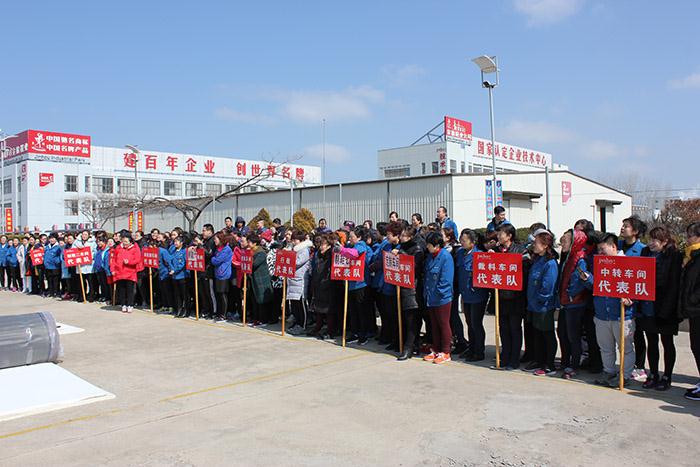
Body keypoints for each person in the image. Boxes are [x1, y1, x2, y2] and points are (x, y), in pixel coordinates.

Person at [585, 233, 635, 388]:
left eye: (603, 249)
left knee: (625, 348)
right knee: (605, 348)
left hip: (621, 315)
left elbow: (638, 286)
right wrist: (588, 279)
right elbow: (596, 286)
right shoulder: (599, 264)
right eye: (598, 250)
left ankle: (625, 375)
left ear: (613, 247)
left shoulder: (628, 263)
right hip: (602, 314)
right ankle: (609, 372)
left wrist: (631, 299)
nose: (600, 253)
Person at [639, 227, 682, 391]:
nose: (650, 243)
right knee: (651, 341)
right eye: (649, 239)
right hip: (648, 305)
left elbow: (674, 284)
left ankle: (667, 376)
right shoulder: (645, 253)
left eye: (654, 240)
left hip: (666, 307)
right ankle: (653, 374)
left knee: (667, 342)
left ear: (664, 242)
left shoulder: (674, 255)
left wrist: (667, 309)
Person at [494, 223, 530, 370]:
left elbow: (525, 272)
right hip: (501, 297)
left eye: (501, 234)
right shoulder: (496, 251)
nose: (498, 236)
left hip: (516, 298)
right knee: (503, 329)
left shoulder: (521, 251)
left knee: (514, 329)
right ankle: (505, 356)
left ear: (509, 236)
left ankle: (514, 359)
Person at [558, 229, 591, 379]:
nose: (562, 243)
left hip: (575, 304)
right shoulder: (570, 257)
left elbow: (579, 282)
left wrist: (570, 295)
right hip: (566, 302)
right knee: (564, 334)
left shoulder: (580, 259)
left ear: (574, 242)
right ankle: (566, 362)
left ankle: (574, 365)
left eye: (565, 240)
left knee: (573, 337)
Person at [619, 215, 648, 381]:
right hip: (620, 295)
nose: (623, 228)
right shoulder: (618, 246)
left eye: (627, 226)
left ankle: (640, 366)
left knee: (638, 334)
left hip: (636, 298)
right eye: (623, 225)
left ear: (635, 231)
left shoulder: (643, 250)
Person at [527, 231, 559, 376]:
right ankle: (539, 361)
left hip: (544, 306)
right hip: (534, 305)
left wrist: (539, 299)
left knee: (547, 335)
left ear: (545, 245)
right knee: (538, 335)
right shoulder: (538, 260)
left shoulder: (550, 264)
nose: (534, 245)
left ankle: (549, 364)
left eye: (536, 243)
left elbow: (548, 287)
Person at [456, 229, 489, 362]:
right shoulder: (460, 253)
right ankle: (471, 348)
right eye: (461, 240)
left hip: (477, 295)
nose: (462, 242)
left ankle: (479, 351)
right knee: (469, 323)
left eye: (464, 240)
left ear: (473, 242)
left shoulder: (479, 255)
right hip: (465, 294)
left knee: (476, 323)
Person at [422, 232, 454, 365]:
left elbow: (446, 279)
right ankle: (436, 349)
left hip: (442, 298)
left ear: (436, 245)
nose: (427, 247)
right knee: (434, 324)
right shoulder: (430, 257)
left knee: (443, 323)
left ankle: (445, 351)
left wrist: (439, 293)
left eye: (429, 245)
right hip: (431, 296)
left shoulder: (445, 257)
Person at [395, 226, 425, 360]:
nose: (401, 238)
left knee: (412, 320)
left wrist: (402, 254)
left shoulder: (417, 249)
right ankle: (413, 345)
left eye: (403, 236)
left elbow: (414, 267)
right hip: (402, 286)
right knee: (405, 319)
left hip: (413, 288)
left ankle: (409, 347)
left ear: (410, 237)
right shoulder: (401, 248)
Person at [679, 222, 700, 401]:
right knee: (696, 346)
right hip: (693, 310)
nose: (687, 239)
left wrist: (693, 299)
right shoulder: (690, 256)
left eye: (690, 236)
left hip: (697, 308)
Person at [285, 230, 313, 335]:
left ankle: (303, 324)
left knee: (301, 304)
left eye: (295, 240)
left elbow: (297, 262)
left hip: (300, 280)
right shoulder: (294, 249)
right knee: (294, 304)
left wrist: (288, 256)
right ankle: (297, 322)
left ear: (301, 240)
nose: (293, 242)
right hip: (293, 279)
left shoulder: (304, 250)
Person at [308, 234, 335, 339]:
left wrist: (326, 281)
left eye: (323, 245)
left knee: (329, 310)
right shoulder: (318, 254)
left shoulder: (332, 255)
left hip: (328, 284)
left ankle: (330, 330)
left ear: (329, 245)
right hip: (318, 283)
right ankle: (318, 327)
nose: (321, 247)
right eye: (320, 245)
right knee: (318, 308)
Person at [111, 233, 142, 313]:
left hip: (130, 272)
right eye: (123, 241)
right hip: (119, 272)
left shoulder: (135, 248)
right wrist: (113, 269)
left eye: (126, 242)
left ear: (130, 242)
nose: (124, 243)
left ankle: (130, 304)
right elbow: (113, 259)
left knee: (130, 290)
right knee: (121, 290)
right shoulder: (118, 248)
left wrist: (129, 262)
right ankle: (123, 304)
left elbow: (137, 259)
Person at [210, 232, 233, 322]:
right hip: (218, 274)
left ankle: (223, 315)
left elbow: (216, 261)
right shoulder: (217, 249)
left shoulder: (226, 249)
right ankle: (219, 313)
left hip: (224, 274)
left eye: (215, 239)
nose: (214, 241)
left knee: (222, 294)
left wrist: (212, 258)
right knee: (218, 294)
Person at [74, 230, 98, 302]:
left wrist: (88, 254)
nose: (84, 236)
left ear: (88, 235)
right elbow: (72, 251)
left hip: (89, 266)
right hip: (80, 266)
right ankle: (82, 296)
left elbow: (95, 252)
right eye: (83, 234)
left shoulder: (93, 243)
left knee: (91, 282)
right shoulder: (76, 242)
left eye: (86, 234)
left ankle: (91, 296)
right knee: (81, 282)